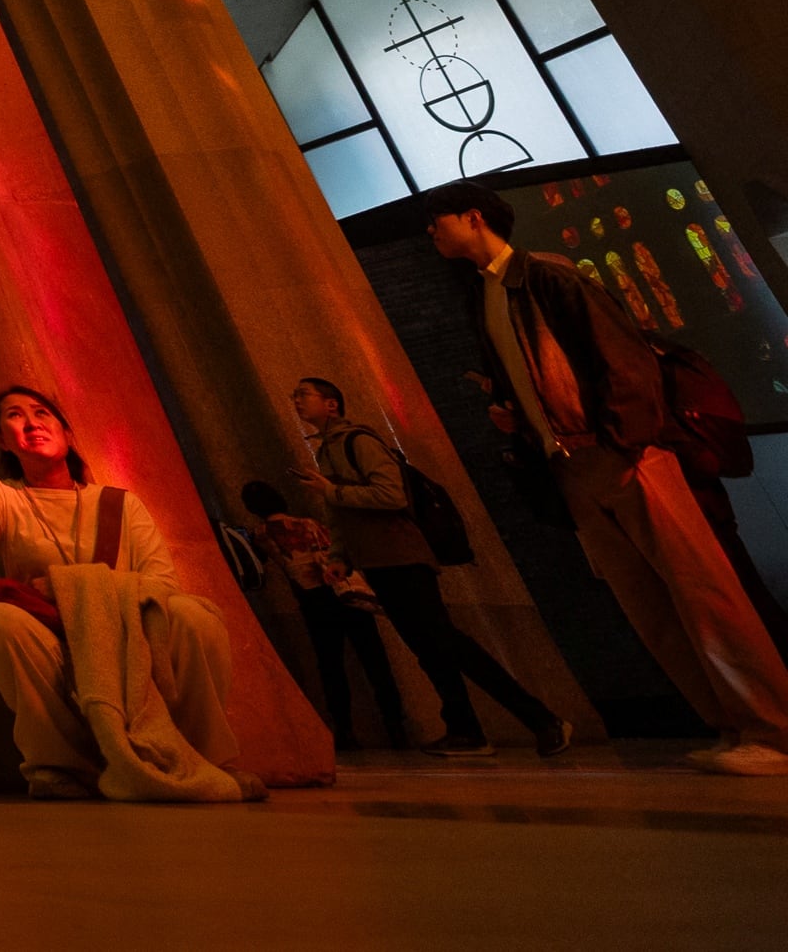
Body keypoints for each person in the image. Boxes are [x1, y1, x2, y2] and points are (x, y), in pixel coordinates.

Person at [421, 182, 788, 774]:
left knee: (703, 594)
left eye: (435, 219)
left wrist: (622, 441)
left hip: (620, 456)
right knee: (650, 608)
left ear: (474, 216)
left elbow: (625, 359)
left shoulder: (546, 277)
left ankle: (773, 728)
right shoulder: (486, 292)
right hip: (573, 464)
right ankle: (730, 723)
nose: (430, 231)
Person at [0, 376, 254, 802]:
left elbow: (161, 584)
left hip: (130, 636)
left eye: (42, 413)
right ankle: (62, 767)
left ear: (67, 432)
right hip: (54, 638)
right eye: (14, 416)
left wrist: (74, 590)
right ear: (3, 442)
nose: (32, 423)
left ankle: (203, 759)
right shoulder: (4, 496)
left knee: (194, 616)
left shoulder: (118, 503)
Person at [289, 374, 567, 758]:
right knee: (430, 650)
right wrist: (339, 556)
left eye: (303, 395)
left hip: (402, 558)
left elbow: (390, 495)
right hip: (378, 562)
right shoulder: (326, 451)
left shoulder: (359, 441)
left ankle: (541, 719)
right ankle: (465, 730)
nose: (297, 401)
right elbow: (338, 514)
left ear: (332, 404)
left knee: (448, 643)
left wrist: (331, 491)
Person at [241, 478, 405, 749]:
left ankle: (344, 729)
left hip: (313, 601)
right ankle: (395, 724)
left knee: (330, 665)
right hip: (343, 592)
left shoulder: (260, 534)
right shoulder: (310, 523)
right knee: (375, 660)